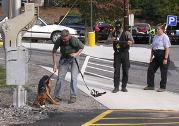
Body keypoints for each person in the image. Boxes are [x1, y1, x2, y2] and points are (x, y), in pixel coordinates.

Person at [52, 29, 84, 104]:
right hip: (64, 58)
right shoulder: (59, 40)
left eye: (65, 39)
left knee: (73, 78)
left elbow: (82, 47)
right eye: (62, 38)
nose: (64, 40)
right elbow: (54, 52)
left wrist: (76, 54)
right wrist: (54, 64)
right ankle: (57, 96)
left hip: (74, 59)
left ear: (68, 36)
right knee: (60, 78)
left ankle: (73, 96)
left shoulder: (74, 40)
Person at [144, 24, 171, 92]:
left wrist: (165, 58)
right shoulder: (155, 37)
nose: (157, 30)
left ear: (162, 30)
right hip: (156, 56)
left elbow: (167, 48)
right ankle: (150, 85)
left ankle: (162, 87)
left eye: (158, 29)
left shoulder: (165, 37)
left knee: (163, 72)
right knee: (150, 69)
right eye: (157, 29)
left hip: (163, 55)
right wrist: (151, 57)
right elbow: (153, 48)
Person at [112, 20, 134, 93]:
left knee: (125, 70)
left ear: (121, 27)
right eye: (116, 27)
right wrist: (112, 40)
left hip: (124, 53)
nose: (117, 29)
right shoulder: (114, 33)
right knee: (116, 71)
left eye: (118, 27)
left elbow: (131, 42)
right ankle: (116, 87)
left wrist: (126, 42)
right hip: (117, 53)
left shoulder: (126, 33)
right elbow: (107, 41)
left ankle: (124, 87)